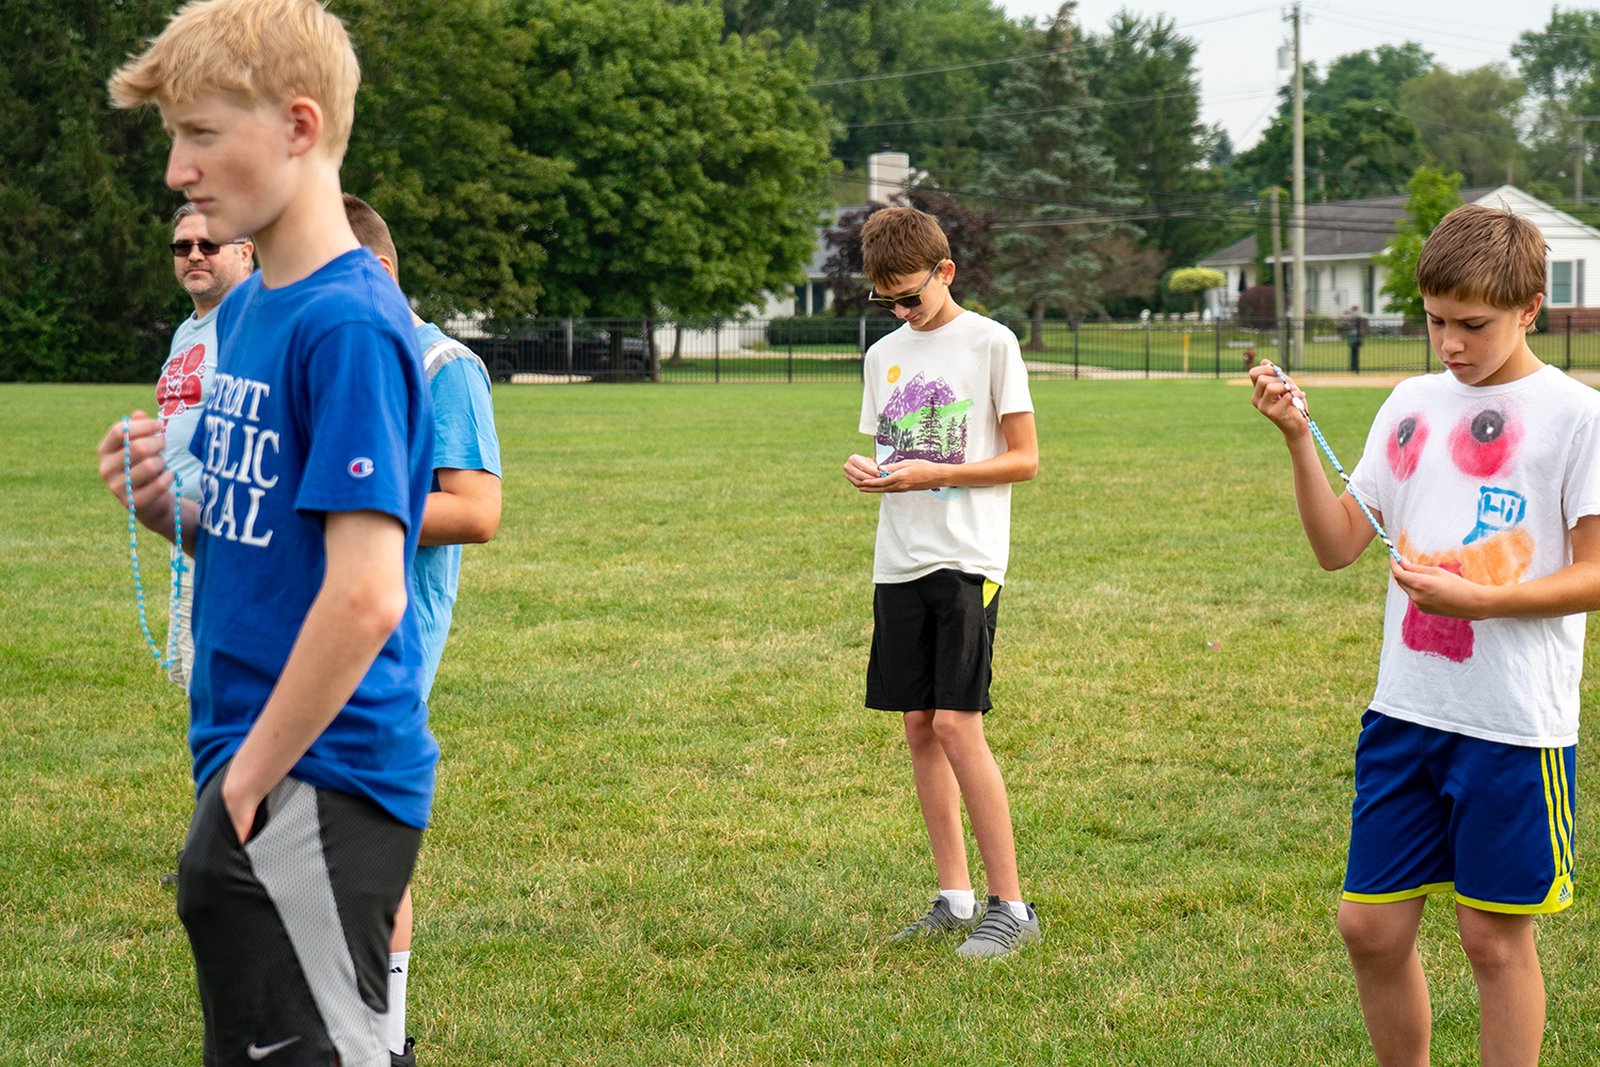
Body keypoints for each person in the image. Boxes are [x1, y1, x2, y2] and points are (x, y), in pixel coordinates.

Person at [98, 2, 435, 1064]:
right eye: (172, 140)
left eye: (199, 134)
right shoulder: (246, 312)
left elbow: (368, 589)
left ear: (297, 126)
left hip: (320, 776)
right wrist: (172, 515)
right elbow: (266, 543)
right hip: (253, 762)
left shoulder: (347, 320)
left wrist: (249, 784)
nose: (176, 171)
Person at [1250, 203, 1600, 1066]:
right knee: (1368, 927)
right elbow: (1338, 546)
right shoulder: (1408, 402)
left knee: (1491, 941)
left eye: (1472, 325)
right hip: (1405, 712)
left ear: (1529, 309)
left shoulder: (1575, 415)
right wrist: (1298, 437)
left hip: (1513, 726)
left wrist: (1480, 601)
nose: (1449, 343)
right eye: (1436, 320)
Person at [842, 205, 1040, 959]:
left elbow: (1024, 458)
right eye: (886, 299)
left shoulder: (993, 343)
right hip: (899, 559)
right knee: (919, 725)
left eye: (910, 296)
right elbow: (894, 454)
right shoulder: (883, 354)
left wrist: (942, 471)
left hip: (967, 559)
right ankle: (954, 898)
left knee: (959, 724)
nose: (899, 310)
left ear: (944, 272)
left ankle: (1011, 906)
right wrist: (874, 472)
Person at [344, 192, 503, 1062]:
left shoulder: (444, 367)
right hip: (310, 622)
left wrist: (346, 488)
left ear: (374, 269)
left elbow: (477, 511)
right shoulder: (341, 357)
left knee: (363, 842)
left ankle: (385, 1041)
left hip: (390, 637)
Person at [157, 203, 254, 690]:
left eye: (209, 245)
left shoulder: (250, 319)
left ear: (245, 253)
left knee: (216, 685)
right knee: (186, 674)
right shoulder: (187, 328)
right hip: (183, 528)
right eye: (183, 246)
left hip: (227, 532)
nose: (194, 255)